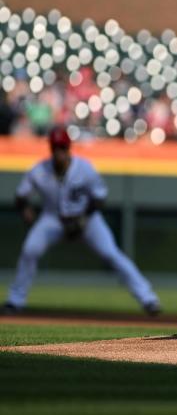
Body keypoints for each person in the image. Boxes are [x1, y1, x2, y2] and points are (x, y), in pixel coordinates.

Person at [3, 126, 162, 315]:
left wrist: (84, 219)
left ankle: (148, 298)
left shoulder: (84, 168)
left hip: (87, 218)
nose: (58, 152)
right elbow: (20, 197)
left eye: (62, 147)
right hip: (52, 218)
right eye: (55, 148)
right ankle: (15, 300)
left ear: (68, 148)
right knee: (30, 250)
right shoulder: (39, 170)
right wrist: (25, 211)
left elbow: (99, 198)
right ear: (51, 149)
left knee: (111, 254)